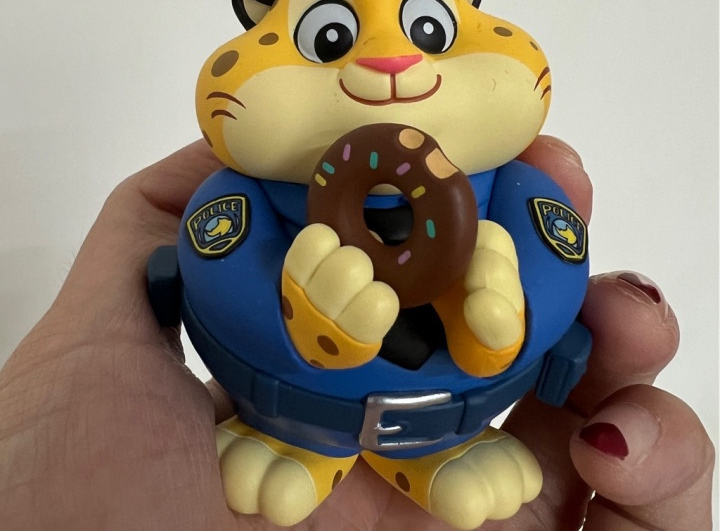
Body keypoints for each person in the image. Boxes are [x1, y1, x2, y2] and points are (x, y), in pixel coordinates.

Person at [0, 137, 713, 531]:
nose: (385, 65)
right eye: (332, 41)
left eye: (429, 33)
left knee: (509, 308)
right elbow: (218, 268)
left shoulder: (516, 189)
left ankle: (450, 424)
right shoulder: (244, 188)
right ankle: (305, 439)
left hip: (459, 418)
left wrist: (514, 312)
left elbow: (557, 267)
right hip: (283, 414)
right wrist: (293, 321)